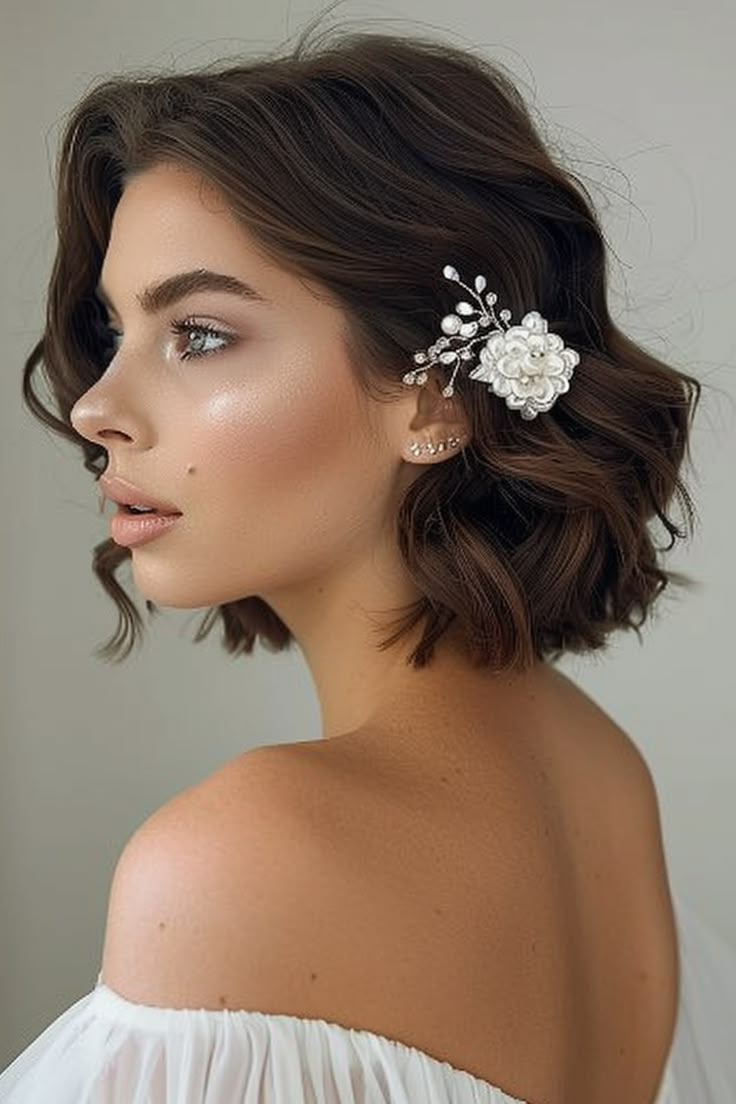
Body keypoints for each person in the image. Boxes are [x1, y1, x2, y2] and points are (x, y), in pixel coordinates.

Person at [3, 12, 736, 1104]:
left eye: (198, 334)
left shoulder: (243, 854)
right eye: (113, 334)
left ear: (432, 399)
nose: (98, 408)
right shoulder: (596, 768)